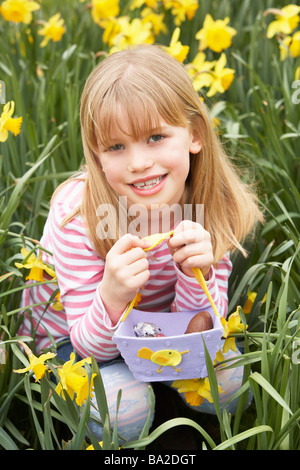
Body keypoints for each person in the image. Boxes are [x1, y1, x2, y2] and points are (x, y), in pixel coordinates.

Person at [19, 44, 263, 443]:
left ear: (195, 136)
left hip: (160, 333)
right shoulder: (78, 215)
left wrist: (194, 273)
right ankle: (141, 412)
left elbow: (200, 335)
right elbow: (89, 347)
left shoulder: (212, 206)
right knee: (125, 413)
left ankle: (165, 405)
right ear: (97, 157)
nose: (138, 163)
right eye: (116, 147)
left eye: (155, 137)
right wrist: (112, 295)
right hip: (75, 346)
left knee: (233, 383)